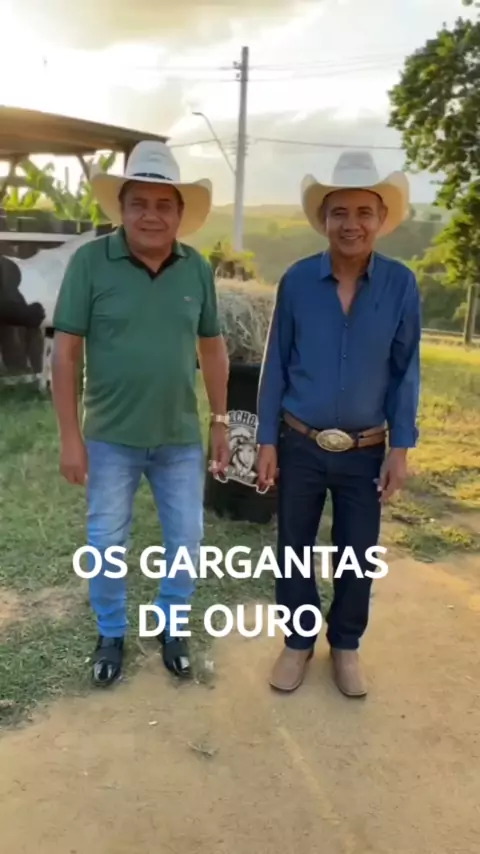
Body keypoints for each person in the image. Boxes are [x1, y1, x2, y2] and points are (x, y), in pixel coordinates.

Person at [51, 141, 230, 687]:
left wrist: (221, 422)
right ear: (122, 208)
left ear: (179, 213)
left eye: (163, 205)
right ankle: (111, 632)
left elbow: (213, 349)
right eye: (139, 204)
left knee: (187, 542)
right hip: (110, 438)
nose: (151, 215)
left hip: (179, 438)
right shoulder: (90, 263)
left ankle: (171, 624)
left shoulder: (196, 270)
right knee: (106, 544)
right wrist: (70, 438)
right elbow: (65, 352)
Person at [256, 151, 421, 698]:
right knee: (294, 546)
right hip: (300, 440)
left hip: (366, 449)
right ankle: (298, 642)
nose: (352, 224)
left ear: (381, 219)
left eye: (363, 212)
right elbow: (276, 364)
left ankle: (345, 645)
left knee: (357, 552)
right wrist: (266, 440)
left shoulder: (400, 285)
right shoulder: (298, 281)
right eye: (339, 212)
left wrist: (401, 447)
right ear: (324, 219)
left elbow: (406, 370)